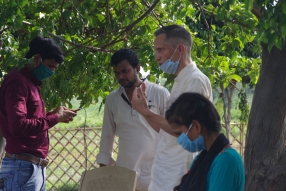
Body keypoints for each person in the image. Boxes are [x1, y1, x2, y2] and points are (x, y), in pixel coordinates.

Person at [131, 25, 213, 191]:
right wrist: (144, 111)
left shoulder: (194, 81)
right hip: (165, 171)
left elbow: (183, 129)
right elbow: (166, 129)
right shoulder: (180, 82)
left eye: (161, 50)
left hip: (179, 172)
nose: (157, 57)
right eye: (156, 50)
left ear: (180, 49)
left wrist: (146, 111)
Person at [0, 36, 77, 191]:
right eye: (49, 66)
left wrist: (53, 115)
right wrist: (55, 118)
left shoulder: (31, 83)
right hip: (21, 170)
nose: (51, 72)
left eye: (54, 68)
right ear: (36, 59)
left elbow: (29, 121)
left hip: (30, 168)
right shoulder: (18, 83)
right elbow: (18, 126)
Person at [96, 48, 170, 191]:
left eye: (125, 71)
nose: (121, 76)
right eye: (117, 73)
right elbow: (107, 137)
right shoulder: (113, 99)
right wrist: (104, 172)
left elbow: (172, 132)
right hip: (124, 175)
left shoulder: (159, 93)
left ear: (137, 68)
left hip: (156, 173)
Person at [166, 92, 245, 191]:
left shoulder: (225, 161)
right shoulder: (204, 157)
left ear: (196, 126)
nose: (180, 139)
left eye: (180, 133)